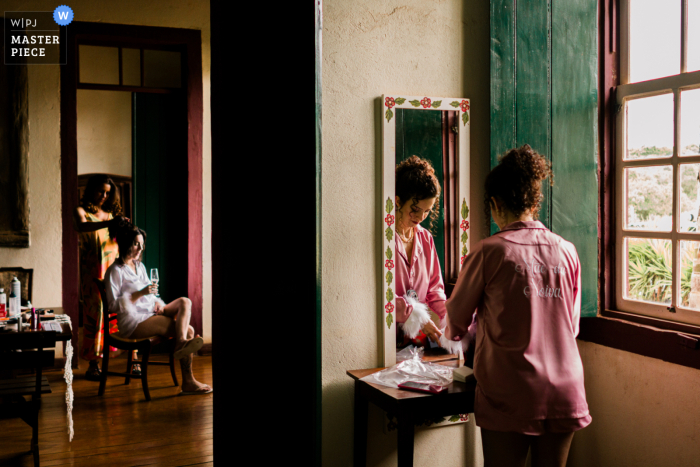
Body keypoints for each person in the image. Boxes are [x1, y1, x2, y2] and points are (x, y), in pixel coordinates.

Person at [443, 145, 590, 467]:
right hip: (566, 387)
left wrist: (473, 327)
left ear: (494, 203)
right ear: (533, 200)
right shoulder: (567, 251)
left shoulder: (489, 252)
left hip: (511, 389)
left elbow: (454, 321)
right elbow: (571, 326)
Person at [105, 220, 212, 395]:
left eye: (142, 244)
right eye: (136, 244)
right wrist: (140, 293)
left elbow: (150, 294)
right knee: (189, 332)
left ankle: (181, 345)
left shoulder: (140, 266)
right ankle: (188, 380)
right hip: (133, 322)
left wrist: (156, 302)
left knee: (185, 302)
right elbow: (112, 306)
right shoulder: (115, 271)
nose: (140, 248)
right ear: (126, 244)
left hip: (149, 312)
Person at [73, 174, 132, 381]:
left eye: (108, 193)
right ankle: (93, 364)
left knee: (124, 311)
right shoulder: (82, 212)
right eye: (100, 191)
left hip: (116, 273)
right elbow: (81, 227)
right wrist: (108, 224)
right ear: (91, 190)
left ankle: (132, 361)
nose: (104, 196)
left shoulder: (112, 215)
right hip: (93, 276)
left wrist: (125, 227)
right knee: (95, 317)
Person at [393, 155, 445, 347]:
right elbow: (379, 295)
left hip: (414, 345)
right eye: (415, 209)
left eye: (427, 211)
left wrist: (448, 318)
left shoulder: (425, 239)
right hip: (381, 342)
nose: (420, 217)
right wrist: (415, 315)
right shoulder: (381, 241)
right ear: (398, 201)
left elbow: (435, 290)